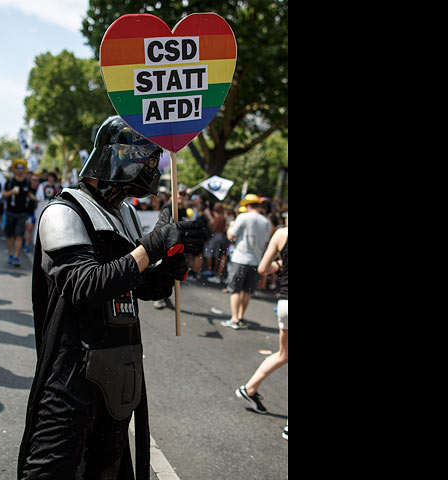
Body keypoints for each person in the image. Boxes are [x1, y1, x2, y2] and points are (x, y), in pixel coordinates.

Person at [17, 116, 209, 480]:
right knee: (51, 471)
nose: (153, 169)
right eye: (148, 160)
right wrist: (152, 246)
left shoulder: (125, 214)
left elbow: (141, 287)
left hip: (120, 369)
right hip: (71, 374)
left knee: (108, 470)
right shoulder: (63, 211)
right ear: (122, 155)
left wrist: (173, 261)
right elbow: (84, 287)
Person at [235, 214, 287, 423]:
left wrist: (280, 264)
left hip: (284, 303)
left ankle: (250, 388)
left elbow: (264, 268)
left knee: (284, 354)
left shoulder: (281, 234)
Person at [220, 194, 271, 329]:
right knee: (247, 291)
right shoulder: (266, 222)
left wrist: (230, 225)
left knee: (235, 289)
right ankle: (241, 317)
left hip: (240, 258)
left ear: (248, 205)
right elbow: (265, 243)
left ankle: (235, 319)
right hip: (256, 260)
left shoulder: (243, 217)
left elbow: (231, 236)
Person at [2, 159, 34, 266]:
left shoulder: (27, 182)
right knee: (10, 235)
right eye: (18, 168)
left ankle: (16, 257)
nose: (20, 170)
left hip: (22, 213)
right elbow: (3, 195)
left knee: (19, 235)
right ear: (15, 169)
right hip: (11, 212)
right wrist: (11, 192)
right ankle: (10, 254)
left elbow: (30, 195)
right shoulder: (10, 182)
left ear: (24, 170)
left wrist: (38, 199)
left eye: (22, 168)